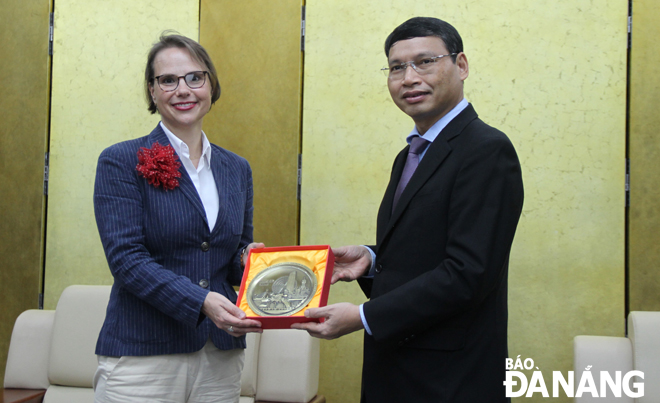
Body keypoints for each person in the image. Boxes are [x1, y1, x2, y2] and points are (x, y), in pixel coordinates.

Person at [292, 17, 524, 402]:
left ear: (461, 65)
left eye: (425, 62)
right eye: (397, 67)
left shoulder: (486, 150)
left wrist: (364, 317)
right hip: (397, 370)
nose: (409, 77)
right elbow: (424, 250)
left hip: (450, 379)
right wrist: (370, 257)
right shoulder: (411, 154)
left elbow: (468, 273)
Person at [92, 33, 263, 403]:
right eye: (168, 80)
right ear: (152, 92)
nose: (182, 90)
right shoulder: (120, 160)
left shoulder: (237, 169)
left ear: (210, 85)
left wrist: (249, 261)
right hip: (144, 355)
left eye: (194, 78)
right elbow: (126, 260)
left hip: (220, 354)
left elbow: (232, 258)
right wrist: (201, 301)